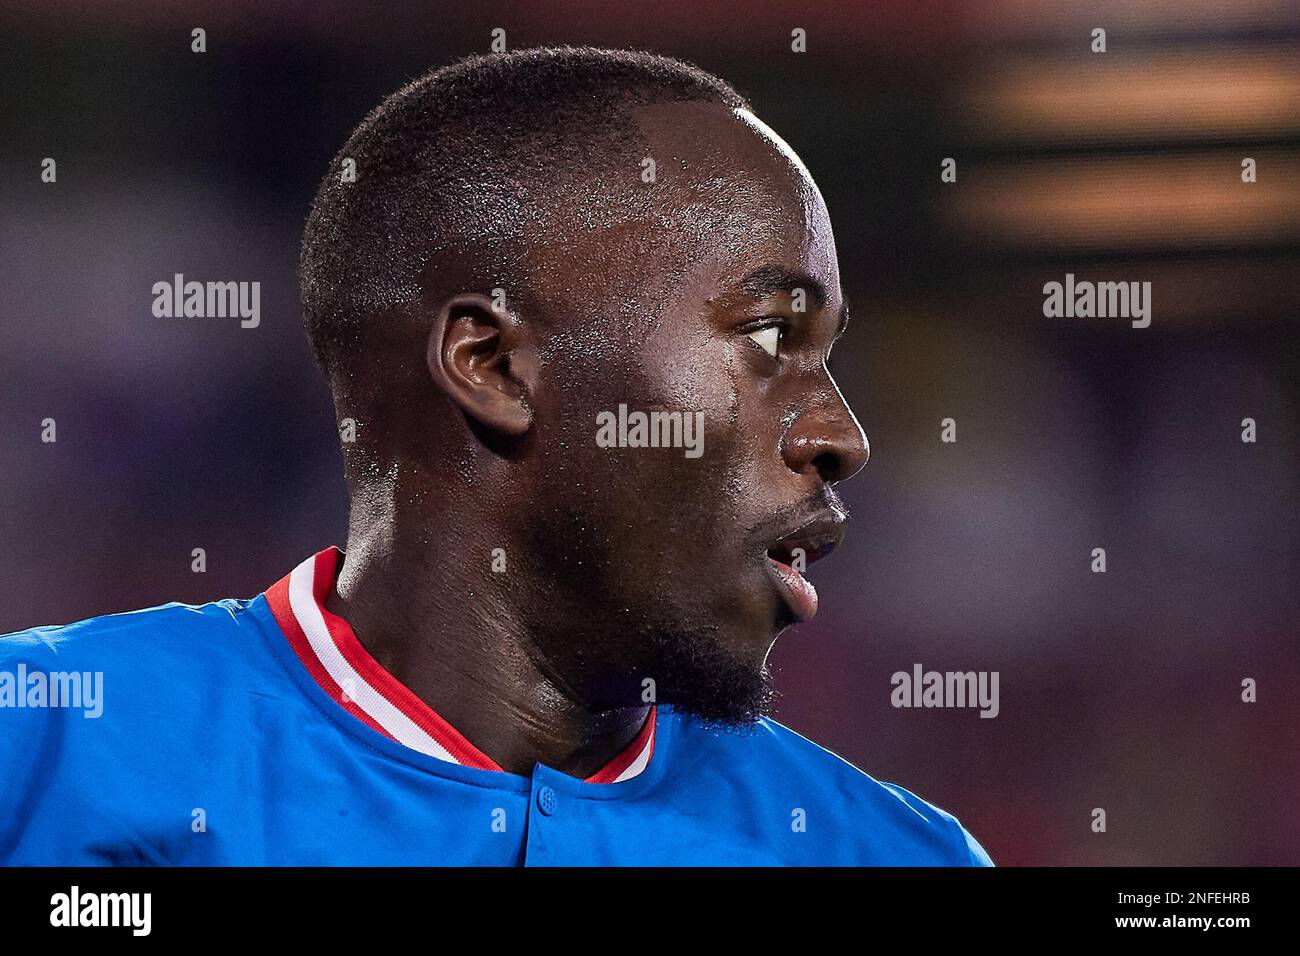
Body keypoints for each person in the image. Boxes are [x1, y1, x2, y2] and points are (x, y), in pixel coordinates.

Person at [0, 47, 992, 866]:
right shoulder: (39, 750)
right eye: (771, 337)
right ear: (495, 365)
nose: (841, 436)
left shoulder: (889, 853)